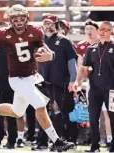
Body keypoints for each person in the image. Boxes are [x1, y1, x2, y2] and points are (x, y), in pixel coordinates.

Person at [0, 4, 74, 152]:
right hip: (17, 78)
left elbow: (45, 49)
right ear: (10, 20)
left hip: (32, 77)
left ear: (26, 18)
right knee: (40, 105)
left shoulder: (35, 31)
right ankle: (56, 141)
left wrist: (51, 55)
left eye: (21, 18)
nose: (18, 21)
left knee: (17, 112)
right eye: (15, 18)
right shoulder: (3, 33)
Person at [33, 13, 78, 150]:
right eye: (46, 23)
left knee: (57, 113)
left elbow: (72, 63)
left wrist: (72, 80)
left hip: (58, 83)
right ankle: (41, 143)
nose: (48, 26)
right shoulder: (38, 41)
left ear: (56, 25)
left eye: (51, 23)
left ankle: (57, 142)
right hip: (40, 82)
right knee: (40, 112)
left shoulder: (64, 41)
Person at [73, 21, 114, 152]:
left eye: (106, 29)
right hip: (95, 88)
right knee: (92, 116)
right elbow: (84, 68)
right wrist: (77, 82)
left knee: (112, 117)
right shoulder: (91, 49)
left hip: (111, 89)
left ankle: (113, 145)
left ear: (111, 32)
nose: (102, 31)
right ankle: (94, 146)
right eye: (101, 29)